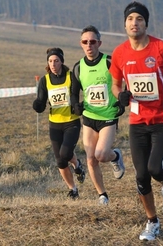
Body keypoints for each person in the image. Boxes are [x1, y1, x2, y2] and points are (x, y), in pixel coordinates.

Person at [110, 1, 163, 241]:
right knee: (141, 176)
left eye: (139, 19)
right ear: (125, 23)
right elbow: (115, 84)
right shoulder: (119, 53)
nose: (134, 23)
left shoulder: (161, 48)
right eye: (130, 19)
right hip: (137, 122)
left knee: (156, 169)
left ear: (146, 24)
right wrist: (120, 95)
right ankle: (152, 222)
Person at [72, 25, 125, 206]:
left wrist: (122, 100)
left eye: (93, 42)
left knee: (101, 155)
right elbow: (74, 91)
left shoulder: (109, 62)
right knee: (90, 158)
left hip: (108, 115)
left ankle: (115, 156)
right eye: (85, 42)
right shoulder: (78, 67)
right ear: (81, 44)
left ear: (99, 43)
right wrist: (75, 105)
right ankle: (102, 195)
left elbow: (125, 80)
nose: (89, 45)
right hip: (89, 116)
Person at [32, 47, 86, 199]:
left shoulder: (71, 76)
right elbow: (42, 101)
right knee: (60, 161)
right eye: (50, 61)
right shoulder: (45, 80)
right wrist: (38, 105)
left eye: (56, 61)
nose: (53, 64)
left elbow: (76, 94)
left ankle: (77, 165)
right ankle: (73, 189)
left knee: (65, 153)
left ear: (62, 61)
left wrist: (77, 106)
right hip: (54, 123)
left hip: (71, 121)